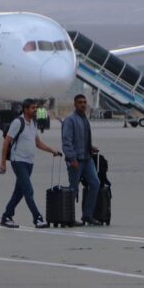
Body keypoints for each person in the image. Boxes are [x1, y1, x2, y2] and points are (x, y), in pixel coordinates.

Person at [0, 99, 62, 229]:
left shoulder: (33, 123)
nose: (35, 110)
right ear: (25, 109)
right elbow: (6, 142)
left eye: (35, 108)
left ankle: (6, 216)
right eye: (33, 108)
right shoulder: (18, 122)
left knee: (19, 192)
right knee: (28, 191)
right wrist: (3, 163)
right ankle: (37, 218)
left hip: (29, 163)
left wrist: (52, 151)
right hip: (18, 161)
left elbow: (38, 143)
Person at [61, 94, 102, 226]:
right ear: (75, 104)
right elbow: (66, 142)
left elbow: (82, 138)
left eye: (84, 102)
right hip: (76, 160)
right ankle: (69, 217)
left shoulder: (84, 119)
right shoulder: (70, 120)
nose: (83, 105)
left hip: (87, 158)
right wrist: (72, 158)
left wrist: (90, 147)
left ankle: (87, 215)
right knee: (73, 188)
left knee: (95, 183)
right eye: (80, 102)